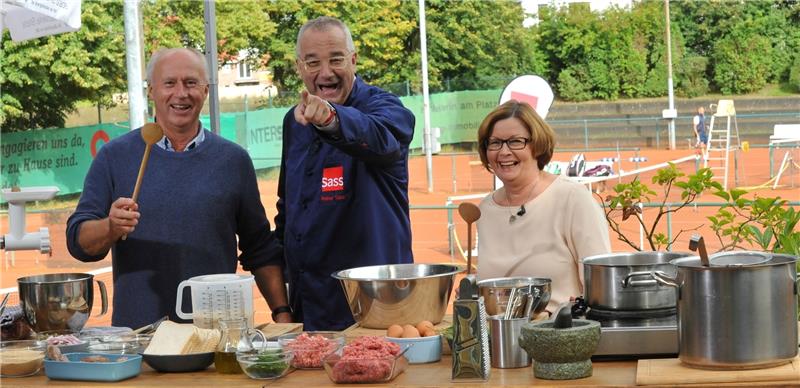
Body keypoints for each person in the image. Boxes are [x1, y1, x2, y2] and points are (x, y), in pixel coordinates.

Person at [66, 48, 291, 329]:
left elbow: (259, 247)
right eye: (169, 83)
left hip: (216, 334)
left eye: (191, 83)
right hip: (140, 337)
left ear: (206, 90)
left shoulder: (233, 160)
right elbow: (78, 241)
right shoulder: (114, 156)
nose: (181, 93)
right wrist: (110, 227)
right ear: (151, 91)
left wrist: (282, 313)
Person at [274, 16, 415, 331]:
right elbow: (289, 207)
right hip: (309, 308)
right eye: (313, 63)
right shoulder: (293, 122)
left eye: (336, 59)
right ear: (299, 67)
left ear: (353, 60)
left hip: (375, 310)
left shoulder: (384, 108)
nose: (326, 73)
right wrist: (284, 305)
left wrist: (331, 119)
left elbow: (383, 137)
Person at [475, 100, 611, 315]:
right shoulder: (485, 210)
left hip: (558, 331)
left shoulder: (573, 199)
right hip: (498, 332)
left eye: (516, 141)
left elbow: (601, 287)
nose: (504, 151)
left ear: (537, 145)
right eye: (495, 143)